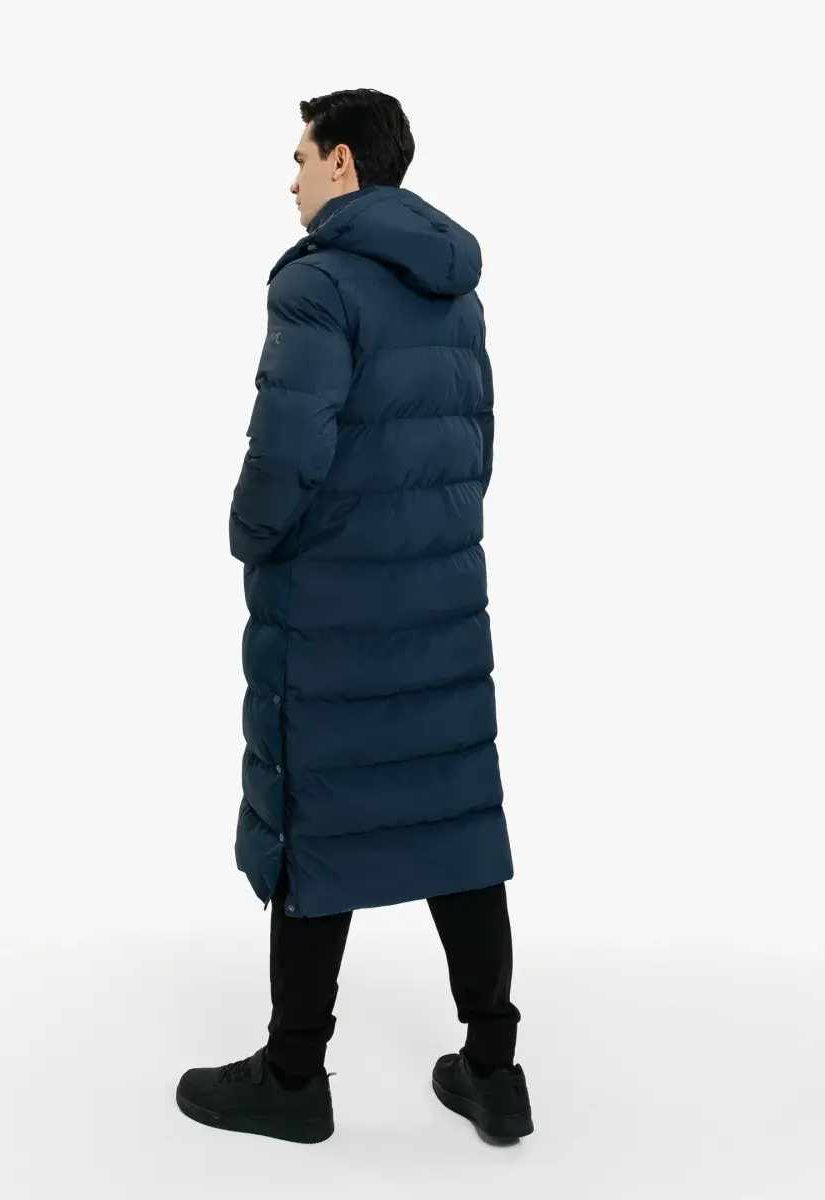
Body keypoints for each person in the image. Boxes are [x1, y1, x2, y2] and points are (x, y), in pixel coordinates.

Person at [176, 88, 533, 1145]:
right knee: (453, 819)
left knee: (318, 814)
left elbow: (290, 444)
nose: (290, 179)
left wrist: (252, 535)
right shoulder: (455, 286)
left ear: (342, 162)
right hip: (438, 593)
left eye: (300, 158)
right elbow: (477, 443)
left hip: (333, 603)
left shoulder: (319, 281)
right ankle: (494, 1068)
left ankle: (293, 1078)